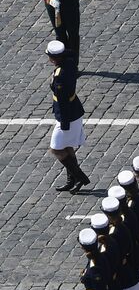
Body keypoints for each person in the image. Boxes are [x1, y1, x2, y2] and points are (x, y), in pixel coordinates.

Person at [48, 40, 90, 192]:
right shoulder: (70, 63)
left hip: (67, 116)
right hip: (74, 111)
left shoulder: (60, 76)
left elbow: (63, 101)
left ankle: (80, 177)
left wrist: (64, 122)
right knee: (67, 146)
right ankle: (71, 180)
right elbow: (71, 53)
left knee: (56, 149)